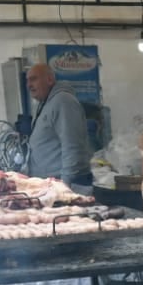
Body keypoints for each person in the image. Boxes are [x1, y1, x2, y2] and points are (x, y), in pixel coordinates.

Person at [24, 63, 93, 191]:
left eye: (33, 79)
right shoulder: (44, 104)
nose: (29, 85)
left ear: (49, 80)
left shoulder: (63, 101)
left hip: (64, 186)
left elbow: (72, 146)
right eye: (27, 81)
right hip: (49, 185)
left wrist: (65, 186)